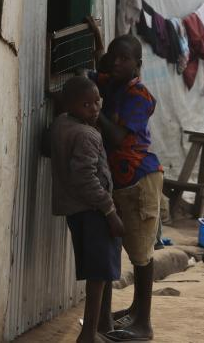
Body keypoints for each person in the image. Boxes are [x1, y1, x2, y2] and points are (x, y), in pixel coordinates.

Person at [92, 35, 162, 342]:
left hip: (139, 181)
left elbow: (119, 137)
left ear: (138, 65)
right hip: (119, 181)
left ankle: (143, 322)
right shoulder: (111, 84)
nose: (117, 62)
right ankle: (133, 311)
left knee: (140, 252)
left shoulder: (138, 95)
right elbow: (96, 68)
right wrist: (99, 44)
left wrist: (95, 112)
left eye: (124, 58)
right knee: (121, 246)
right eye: (114, 57)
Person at [49, 76, 126, 343]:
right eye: (86, 104)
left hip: (76, 210)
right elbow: (85, 178)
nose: (94, 109)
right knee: (99, 273)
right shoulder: (87, 135)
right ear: (70, 105)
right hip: (94, 211)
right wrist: (110, 212)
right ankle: (88, 333)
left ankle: (95, 329)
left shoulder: (60, 124)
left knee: (96, 271)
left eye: (97, 102)